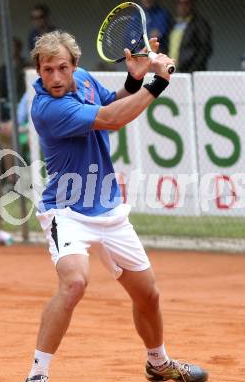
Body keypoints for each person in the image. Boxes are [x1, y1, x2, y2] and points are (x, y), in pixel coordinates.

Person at [24, 30, 208, 382]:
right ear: (38, 71)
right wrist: (155, 84)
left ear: (74, 66)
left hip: (108, 208)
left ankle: (158, 362)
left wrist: (134, 77)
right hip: (66, 210)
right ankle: (37, 375)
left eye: (62, 68)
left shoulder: (84, 80)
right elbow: (112, 119)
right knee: (75, 283)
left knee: (148, 295)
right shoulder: (47, 107)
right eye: (47, 70)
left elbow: (112, 101)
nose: (56, 78)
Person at [168, 0, 212, 72]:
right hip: (171, 70)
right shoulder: (173, 23)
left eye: (186, 3)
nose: (182, 6)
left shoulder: (199, 24)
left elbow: (205, 49)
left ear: (192, 4)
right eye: (179, 2)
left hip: (189, 71)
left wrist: (192, 69)